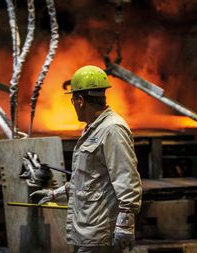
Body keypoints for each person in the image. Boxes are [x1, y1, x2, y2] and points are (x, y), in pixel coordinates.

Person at [31, 65, 142, 253]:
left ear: (80, 100)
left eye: (73, 99)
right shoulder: (93, 129)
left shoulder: (112, 129)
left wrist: (125, 225)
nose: (73, 105)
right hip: (89, 230)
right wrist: (54, 194)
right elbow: (88, 178)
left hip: (100, 233)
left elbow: (127, 179)